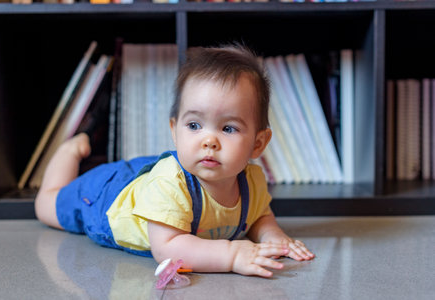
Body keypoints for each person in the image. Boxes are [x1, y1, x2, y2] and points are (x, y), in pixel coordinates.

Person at [35, 44, 315, 278]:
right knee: (47, 206)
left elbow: (259, 216)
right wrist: (231, 255)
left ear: (258, 143)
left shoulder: (252, 181)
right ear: (174, 130)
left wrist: (272, 236)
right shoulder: (169, 184)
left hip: (152, 179)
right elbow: (167, 248)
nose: (209, 140)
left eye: (228, 128)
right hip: (110, 200)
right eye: (194, 125)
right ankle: (69, 151)